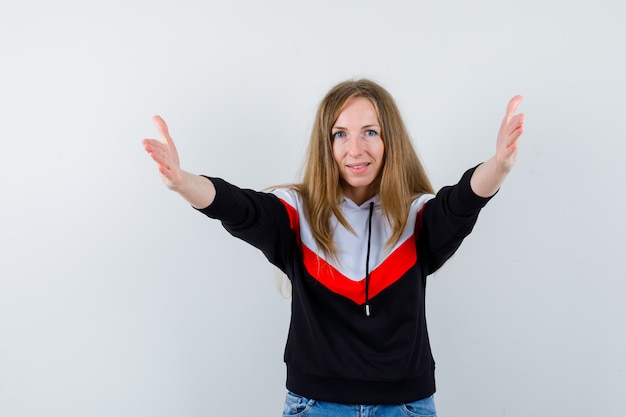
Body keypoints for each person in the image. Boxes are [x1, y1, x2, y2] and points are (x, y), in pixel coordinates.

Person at [142, 79, 524, 417]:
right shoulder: (297, 212)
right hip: (315, 405)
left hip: (405, 406)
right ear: (326, 144)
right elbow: (241, 208)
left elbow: (460, 203)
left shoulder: (417, 214)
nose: (354, 148)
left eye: (370, 132)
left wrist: (499, 166)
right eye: (340, 134)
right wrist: (183, 182)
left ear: (391, 139)